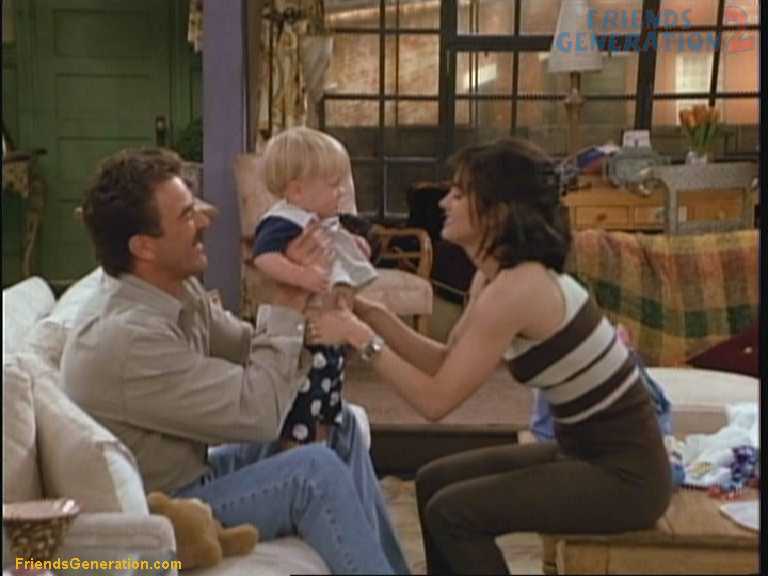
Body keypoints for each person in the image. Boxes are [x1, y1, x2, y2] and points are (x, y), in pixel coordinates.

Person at [307, 138, 673, 575]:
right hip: (580, 452)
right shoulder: (493, 278)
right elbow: (444, 362)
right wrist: (372, 314)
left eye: (459, 194)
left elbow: (436, 402)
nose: (443, 202)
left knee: (453, 513)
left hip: (626, 478)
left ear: (496, 213)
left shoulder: (518, 289)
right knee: (434, 482)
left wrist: (361, 339)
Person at [60, 147, 409, 575]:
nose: (205, 221)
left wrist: (315, 312)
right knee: (313, 471)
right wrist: (288, 297)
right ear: (144, 247)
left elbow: (248, 346)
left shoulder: (173, 289)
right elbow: (258, 414)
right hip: (166, 511)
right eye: (187, 215)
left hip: (198, 472)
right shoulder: (128, 339)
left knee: (341, 422)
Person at [252, 127, 377, 447]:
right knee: (302, 410)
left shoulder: (323, 220)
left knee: (327, 407)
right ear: (296, 191)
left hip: (328, 336)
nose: (342, 192)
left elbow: (337, 241)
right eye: (334, 185)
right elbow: (263, 257)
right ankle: (300, 458)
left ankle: (323, 450)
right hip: (301, 338)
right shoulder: (283, 221)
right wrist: (300, 275)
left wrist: (354, 245)